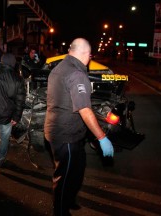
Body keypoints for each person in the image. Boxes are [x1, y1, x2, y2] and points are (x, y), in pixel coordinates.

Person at [44, 38, 114, 216]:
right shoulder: (76, 74)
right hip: (65, 135)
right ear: (86, 54)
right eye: (90, 56)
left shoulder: (59, 68)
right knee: (64, 178)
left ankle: (68, 200)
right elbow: (84, 109)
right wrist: (102, 137)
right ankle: (60, 211)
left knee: (77, 170)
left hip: (66, 132)